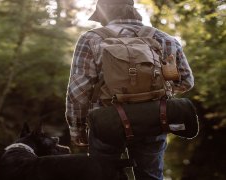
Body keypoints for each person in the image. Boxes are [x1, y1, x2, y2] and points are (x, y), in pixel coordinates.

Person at [65, 0, 194, 179]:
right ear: (133, 10)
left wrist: (77, 129)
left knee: (103, 175)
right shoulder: (165, 39)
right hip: (155, 119)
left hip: (106, 119)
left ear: (104, 13)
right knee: (150, 175)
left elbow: (78, 91)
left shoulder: (91, 38)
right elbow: (186, 81)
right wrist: (157, 91)